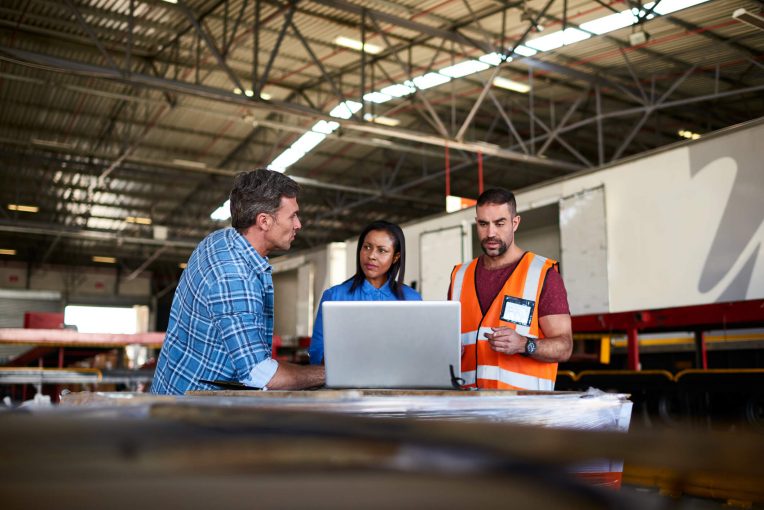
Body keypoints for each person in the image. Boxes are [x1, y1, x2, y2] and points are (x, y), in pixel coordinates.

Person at [151, 169, 324, 395]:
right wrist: (328, 373)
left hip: (177, 395)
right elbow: (262, 375)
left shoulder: (221, 240)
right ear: (264, 221)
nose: (298, 224)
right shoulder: (233, 275)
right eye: (292, 216)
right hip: (190, 414)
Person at [448, 188, 572, 390]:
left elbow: (565, 347)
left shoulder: (543, 274)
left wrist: (525, 344)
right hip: (468, 409)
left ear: (515, 223)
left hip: (523, 413)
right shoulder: (459, 276)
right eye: (483, 224)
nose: (490, 233)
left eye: (500, 223)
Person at [309, 220, 422, 365]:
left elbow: (418, 350)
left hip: (399, 382)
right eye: (367, 247)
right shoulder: (334, 296)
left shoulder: (412, 299)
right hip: (347, 384)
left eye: (382, 250)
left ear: (395, 257)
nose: (371, 256)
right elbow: (317, 351)